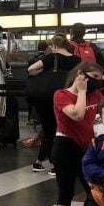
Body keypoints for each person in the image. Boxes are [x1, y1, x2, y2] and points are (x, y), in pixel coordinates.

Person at [52, 61, 104, 206]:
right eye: (95, 77)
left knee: (92, 190)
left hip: (87, 147)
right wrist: (81, 91)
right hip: (65, 146)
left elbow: (101, 116)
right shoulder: (61, 95)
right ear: (81, 74)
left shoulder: (96, 94)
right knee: (66, 191)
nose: (98, 81)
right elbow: (77, 114)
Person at [27, 35, 81, 172]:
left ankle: (54, 165)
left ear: (54, 46)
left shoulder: (51, 58)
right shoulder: (77, 60)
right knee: (60, 129)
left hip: (46, 96)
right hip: (68, 97)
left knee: (49, 129)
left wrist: (43, 74)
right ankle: (39, 161)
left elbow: (31, 69)